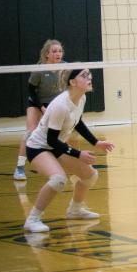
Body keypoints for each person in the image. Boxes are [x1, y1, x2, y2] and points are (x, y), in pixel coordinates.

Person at [22, 69, 115, 233]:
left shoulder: (81, 98)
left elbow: (77, 122)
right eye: (84, 75)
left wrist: (96, 142)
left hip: (57, 146)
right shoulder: (60, 106)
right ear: (72, 82)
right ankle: (33, 219)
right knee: (58, 179)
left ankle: (75, 210)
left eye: (89, 74)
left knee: (90, 176)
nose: (90, 78)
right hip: (38, 147)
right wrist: (79, 154)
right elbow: (51, 140)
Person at [14, 39, 65, 181]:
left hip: (55, 105)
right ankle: (19, 168)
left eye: (60, 51)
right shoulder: (40, 69)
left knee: (69, 134)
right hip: (37, 103)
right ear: (47, 54)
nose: (58, 54)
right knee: (31, 131)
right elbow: (31, 89)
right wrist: (41, 107)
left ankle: (68, 163)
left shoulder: (67, 67)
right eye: (54, 51)